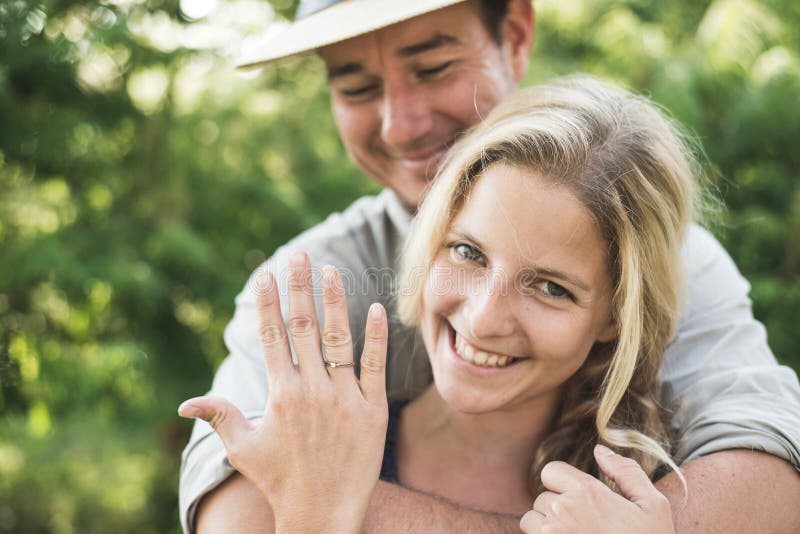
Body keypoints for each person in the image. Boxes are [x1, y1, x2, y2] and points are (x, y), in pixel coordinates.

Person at [179, 1, 800, 532]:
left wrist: (341, 503)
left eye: (434, 67)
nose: (400, 125)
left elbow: (771, 475)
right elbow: (242, 505)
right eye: (356, 87)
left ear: (517, 35)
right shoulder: (313, 279)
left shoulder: (671, 258)